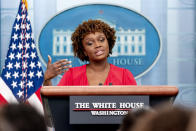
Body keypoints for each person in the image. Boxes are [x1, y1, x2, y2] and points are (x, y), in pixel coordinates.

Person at [43, 19, 137, 86]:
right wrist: (47, 79)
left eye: (101, 40)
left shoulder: (124, 75)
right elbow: (55, 105)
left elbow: (136, 108)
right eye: (90, 43)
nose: (97, 45)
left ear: (109, 42)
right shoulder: (72, 75)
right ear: (84, 51)